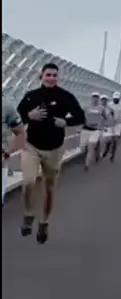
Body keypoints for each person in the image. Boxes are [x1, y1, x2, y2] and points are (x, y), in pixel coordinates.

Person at [15, 62, 86, 243]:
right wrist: (28, 116)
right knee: (29, 181)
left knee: (49, 189)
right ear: (41, 76)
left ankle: (44, 222)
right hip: (31, 145)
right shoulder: (31, 96)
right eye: (48, 75)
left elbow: (80, 116)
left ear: (58, 77)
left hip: (54, 149)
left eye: (55, 75)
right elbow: (17, 115)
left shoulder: (65, 97)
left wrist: (66, 122)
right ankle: (28, 214)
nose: (52, 78)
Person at [100, 90, 121, 163]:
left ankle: (112, 155)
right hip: (110, 124)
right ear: (113, 98)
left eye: (117, 99)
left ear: (119, 99)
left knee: (115, 141)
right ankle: (106, 151)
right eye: (115, 99)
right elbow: (106, 114)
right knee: (109, 140)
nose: (116, 100)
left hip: (118, 124)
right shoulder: (109, 105)